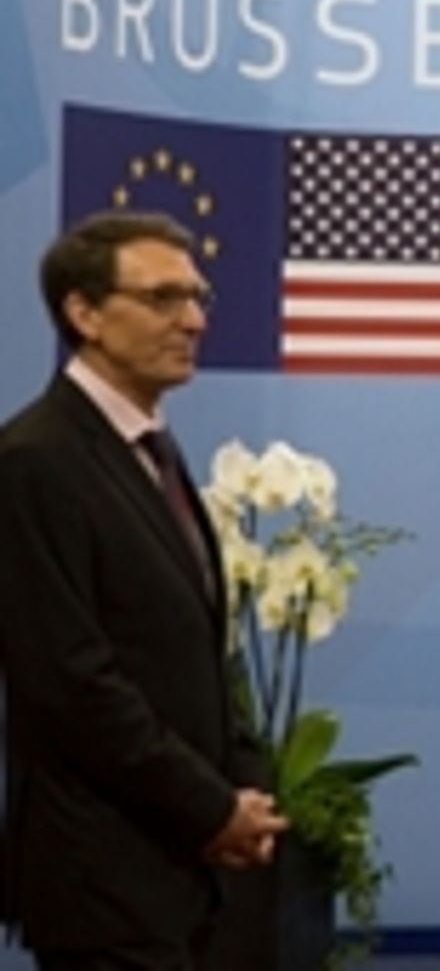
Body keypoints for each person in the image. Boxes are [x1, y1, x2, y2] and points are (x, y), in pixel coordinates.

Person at [0, 211, 286, 970]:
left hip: (191, 879)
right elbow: (70, 682)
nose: (192, 320)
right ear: (84, 313)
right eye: (162, 298)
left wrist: (248, 793)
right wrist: (210, 809)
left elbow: (197, 650)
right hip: (104, 882)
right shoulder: (35, 460)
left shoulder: (152, 452)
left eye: (196, 297)